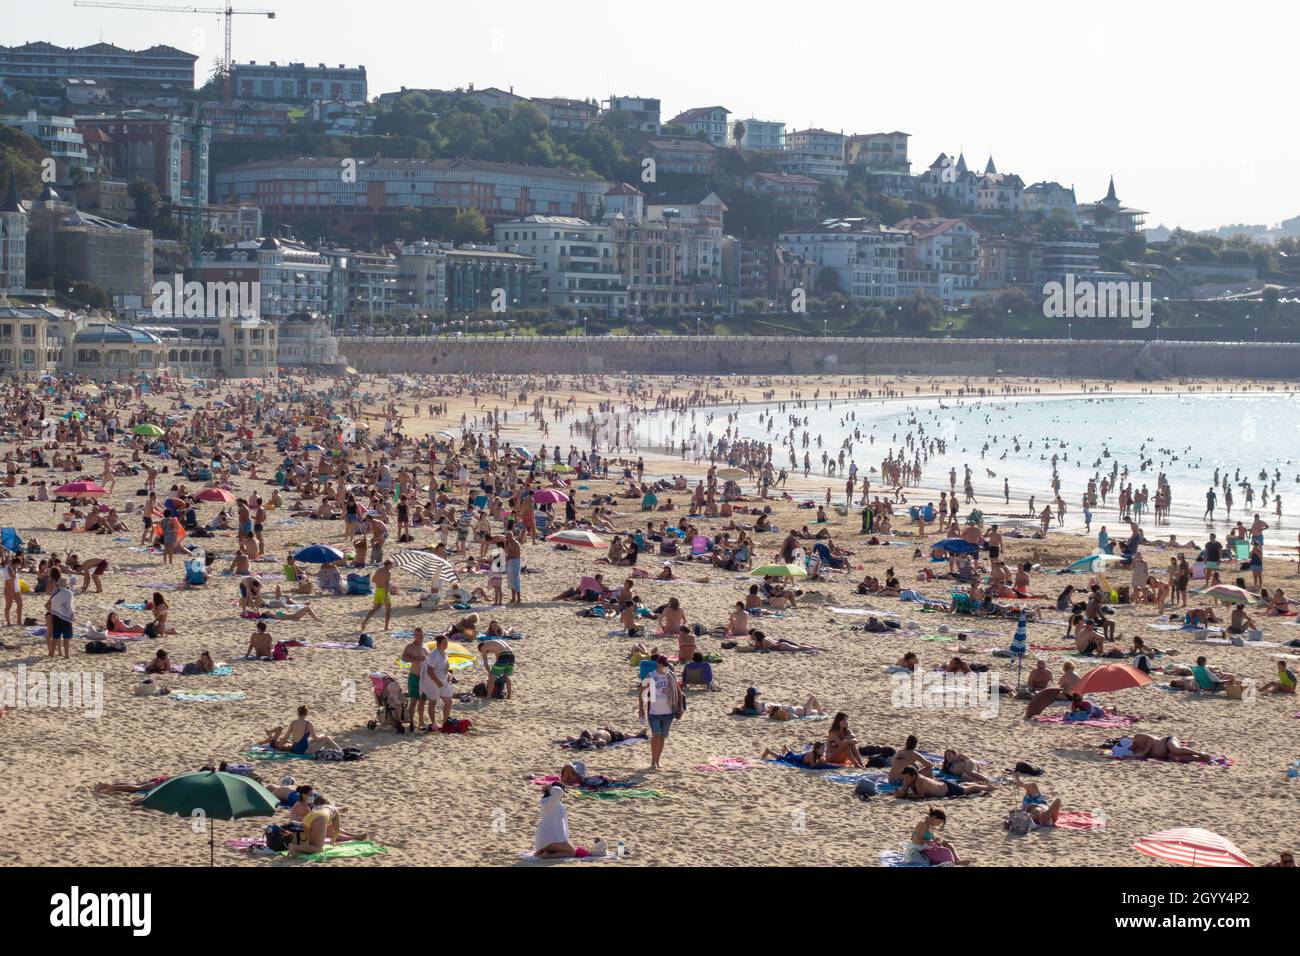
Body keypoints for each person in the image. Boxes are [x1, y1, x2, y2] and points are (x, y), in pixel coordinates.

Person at [638, 654, 679, 771]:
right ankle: (652, 761)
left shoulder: (671, 676)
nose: (660, 668)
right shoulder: (650, 676)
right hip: (654, 712)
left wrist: (679, 707)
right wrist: (641, 709)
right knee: (656, 735)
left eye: (663, 666)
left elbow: (678, 692)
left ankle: (657, 760)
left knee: (662, 737)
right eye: (659, 666)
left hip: (668, 712)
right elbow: (642, 693)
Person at [261, 705, 340, 755]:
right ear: (306, 714)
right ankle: (341, 751)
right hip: (304, 751)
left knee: (311, 740)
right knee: (326, 738)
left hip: (295, 749)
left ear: (298, 713)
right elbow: (316, 738)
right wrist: (321, 736)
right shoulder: (308, 724)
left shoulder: (293, 723)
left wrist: (279, 746)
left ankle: (337, 750)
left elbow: (286, 737)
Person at [895, 765, 993, 799]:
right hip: (940, 784)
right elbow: (903, 791)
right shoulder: (908, 779)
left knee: (968, 789)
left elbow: (920, 795)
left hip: (946, 789)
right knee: (963, 785)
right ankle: (973, 783)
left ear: (913, 775)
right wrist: (900, 793)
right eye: (905, 777)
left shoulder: (919, 780)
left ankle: (988, 787)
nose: (905, 780)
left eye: (907, 777)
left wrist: (905, 795)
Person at [422, 633, 454, 727]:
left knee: (449, 701)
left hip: (443, 680)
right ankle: (433, 723)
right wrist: (437, 681)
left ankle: (445, 722)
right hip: (433, 681)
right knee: (433, 702)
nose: (446, 645)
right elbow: (429, 670)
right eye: (444, 643)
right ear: (439, 644)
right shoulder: (434, 655)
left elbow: (444, 667)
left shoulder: (446, 653)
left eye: (446, 643)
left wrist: (448, 673)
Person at [402, 628, 431, 729]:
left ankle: (421, 722)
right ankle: (411, 723)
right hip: (414, 676)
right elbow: (404, 658)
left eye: (421, 635)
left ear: (424, 635)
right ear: (414, 636)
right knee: (414, 700)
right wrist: (416, 659)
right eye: (417, 635)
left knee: (423, 700)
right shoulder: (410, 647)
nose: (419, 637)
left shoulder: (426, 646)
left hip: (425, 677)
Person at [45, 567, 74, 660]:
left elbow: (48, 601)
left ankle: (53, 653)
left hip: (54, 615)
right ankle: (63, 654)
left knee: (54, 636)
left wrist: (52, 611)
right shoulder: (68, 593)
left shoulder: (54, 591)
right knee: (63, 637)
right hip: (61, 616)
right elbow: (69, 606)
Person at [360, 559, 394, 632]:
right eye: (391, 564)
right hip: (383, 591)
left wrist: (380, 582)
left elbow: (373, 580)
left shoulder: (378, 570)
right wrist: (385, 594)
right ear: (388, 565)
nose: (392, 565)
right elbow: (387, 584)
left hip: (377, 590)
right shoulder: (388, 572)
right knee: (388, 610)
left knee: (374, 609)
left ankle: (365, 621)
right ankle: (386, 627)